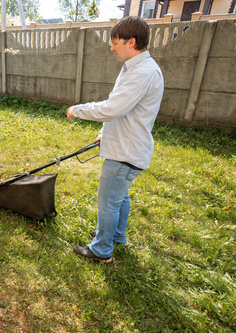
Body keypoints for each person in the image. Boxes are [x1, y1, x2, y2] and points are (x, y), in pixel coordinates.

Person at [66, 16, 164, 263]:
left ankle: (101, 249)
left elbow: (113, 108)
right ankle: (115, 235)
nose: (111, 47)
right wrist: (104, 132)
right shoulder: (135, 67)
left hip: (125, 152)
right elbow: (126, 110)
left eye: (115, 42)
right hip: (128, 147)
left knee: (108, 200)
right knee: (120, 197)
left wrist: (78, 109)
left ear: (131, 42)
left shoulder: (142, 72)